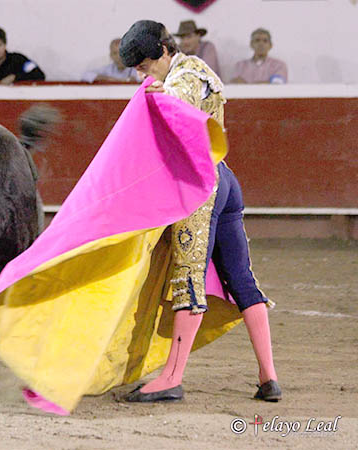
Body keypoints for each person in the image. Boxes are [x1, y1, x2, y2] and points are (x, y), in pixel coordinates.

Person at [118, 20, 281, 403]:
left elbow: (181, 99)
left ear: (163, 51)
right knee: (241, 279)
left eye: (145, 65)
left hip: (200, 188)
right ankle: (268, 377)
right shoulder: (195, 69)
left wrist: (163, 95)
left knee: (188, 278)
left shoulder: (185, 75)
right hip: (224, 179)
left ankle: (171, 378)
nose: (142, 75)